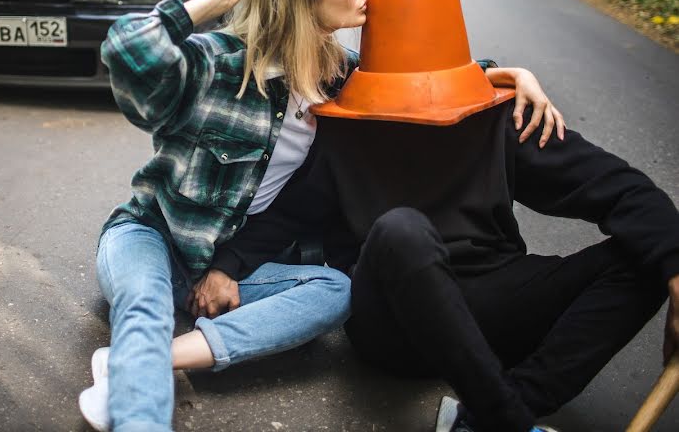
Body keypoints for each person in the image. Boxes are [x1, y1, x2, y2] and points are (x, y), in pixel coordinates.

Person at [81, 0, 563, 431]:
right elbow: (127, 49)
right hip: (152, 238)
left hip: (240, 265)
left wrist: (511, 75)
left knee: (334, 289)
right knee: (144, 303)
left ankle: (144, 360)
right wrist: (218, 0)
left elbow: (423, 87)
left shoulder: (338, 76)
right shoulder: (215, 66)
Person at [212, 95, 679, 432]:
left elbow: (626, 192)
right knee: (402, 229)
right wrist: (225, 265)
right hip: (394, 328)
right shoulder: (345, 131)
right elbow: (285, 217)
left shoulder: (497, 115)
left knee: (648, 252)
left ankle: (495, 413)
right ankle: (509, 421)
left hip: (494, 310)